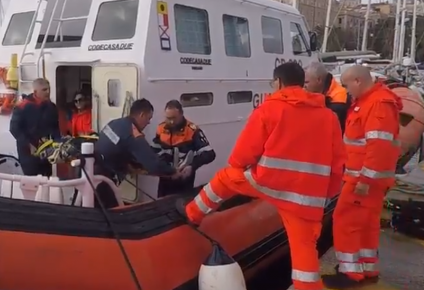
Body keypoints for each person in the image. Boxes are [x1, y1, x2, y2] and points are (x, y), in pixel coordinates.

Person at [180, 62, 346, 290]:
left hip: (268, 184)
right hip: (305, 199)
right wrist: (323, 197)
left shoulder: (269, 109)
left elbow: (240, 158)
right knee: (305, 258)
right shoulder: (329, 117)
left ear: (278, 83)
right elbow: (338, 166)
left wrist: (244, 168)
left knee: (224, 178)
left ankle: (192, 215)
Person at [321, 65, 402, 289]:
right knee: (366, 224)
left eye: (347, 86)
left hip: (363, 180)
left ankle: (349, 272)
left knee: (345, 221)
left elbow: (379, 146)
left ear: (358, 81)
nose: (346, 92)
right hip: (367, 178)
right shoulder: (372, 102)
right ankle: (366, 267)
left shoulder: (376, 104)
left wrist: (365, 180)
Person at [93, 98, 177, 208]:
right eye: (148, 118)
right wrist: (172, 171)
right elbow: (153, 164)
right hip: (104, 181)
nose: (149, 122)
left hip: (91, 172)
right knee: (110, 214)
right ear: (142, 115)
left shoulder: (114, 123)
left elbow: (115, 147)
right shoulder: (133, 133)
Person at [152, 100, 216, 197]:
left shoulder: (192, 130)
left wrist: (192, 166)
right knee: (161, 205)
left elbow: (209, 154)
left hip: (184, 178)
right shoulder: (160, 128)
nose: (171, 121)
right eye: (168, 118)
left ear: (181, 114)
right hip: (165, 177)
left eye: (174, 118)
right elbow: (154, 150)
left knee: (182, 207)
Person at [9, 78, 62, 176]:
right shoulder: (22, 107)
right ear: (35, 92)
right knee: (32, 179)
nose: (48, 92)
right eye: (44, 90)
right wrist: (28, 144)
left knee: (46, 178)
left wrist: (58, 143)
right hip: (28, 151)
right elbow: (14, 129)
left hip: (46, 150)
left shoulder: (52, 107)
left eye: (49, 89)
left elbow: (55, 128)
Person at [304, 61, 351, 132]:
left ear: (319, 80)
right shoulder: (313, 92)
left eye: (306, 82)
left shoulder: (339, 95)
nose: (304, 86)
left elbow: (329, 123)